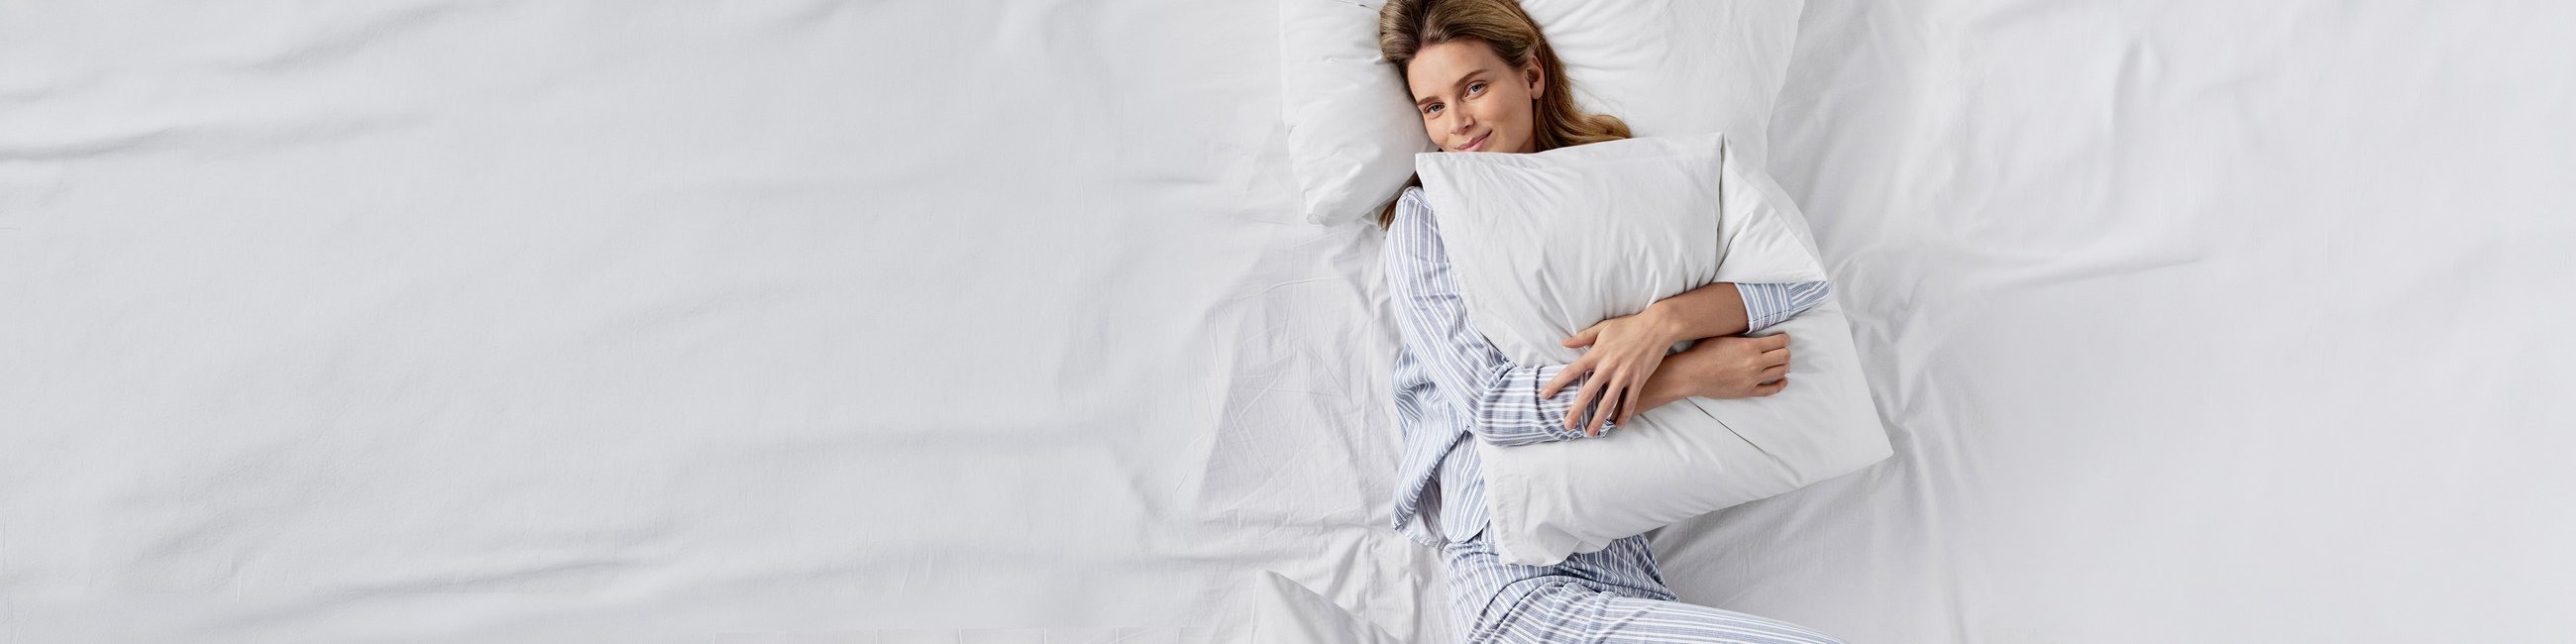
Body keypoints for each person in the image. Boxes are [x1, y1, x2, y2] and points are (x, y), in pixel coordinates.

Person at [1375, 1, 1848, 642]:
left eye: (1475, 88)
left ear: (1532, 77)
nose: (1456, 123)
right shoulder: (1427, 223)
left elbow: (1789, 284)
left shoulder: (1615, 182)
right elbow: (1492, 404)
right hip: (1517, 586)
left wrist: (1658, 324)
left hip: (1630, 573)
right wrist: (1685, 375)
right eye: (1433, 107)